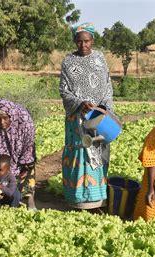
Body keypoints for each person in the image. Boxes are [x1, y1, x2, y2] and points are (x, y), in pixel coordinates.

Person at [59, 22, 114, 210]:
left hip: (98, 116)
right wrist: (80, 103)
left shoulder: (100, 58)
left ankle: (98, 199)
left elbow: (107, 86)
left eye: (87, 41)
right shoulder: (68, 61)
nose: (83, 45)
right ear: (75, 41)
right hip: (77, 119)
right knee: (79, 154)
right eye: (80, 41)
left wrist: (104, 108)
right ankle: (77, 199)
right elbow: (64, 90)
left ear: (93, 40)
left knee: (99, 153)